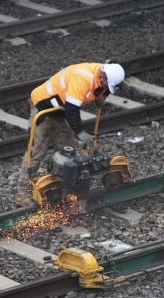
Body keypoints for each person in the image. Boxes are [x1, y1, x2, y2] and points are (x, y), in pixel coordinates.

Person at [15, 61, 126, 206]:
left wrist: (101, 95)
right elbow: (72, 109)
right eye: (106, 85)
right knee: (36, 152)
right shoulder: (83, 79)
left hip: (60, 110)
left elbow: (104, 87)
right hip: (43, 108)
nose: (106, 88)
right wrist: (80, 132)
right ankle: (22, 193)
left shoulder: (105, 73)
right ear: (103, 76)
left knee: (68, 150)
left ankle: (64, 189)